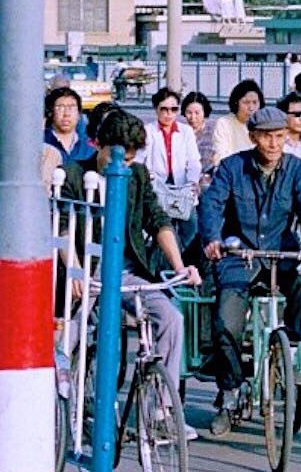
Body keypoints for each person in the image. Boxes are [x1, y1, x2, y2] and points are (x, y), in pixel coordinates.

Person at [62, 111, 202, 437]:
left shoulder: (137, 175)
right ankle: (66, 402)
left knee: (170, 318)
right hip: (87, 273)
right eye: (116, 157)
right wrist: (76, 271)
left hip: (127, 273)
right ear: (98, 145)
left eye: (128, 158)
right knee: (73, 335)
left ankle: (160, 408)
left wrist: (179, 267)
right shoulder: (71, 175)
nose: (121, 166)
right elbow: (63, 227)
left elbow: (157, 220)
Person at [199, 105, 301, 436]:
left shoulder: (296, 169)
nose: (273, 144)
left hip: (282, 254)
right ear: (253, 137)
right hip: (239, 257)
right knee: (226, 322)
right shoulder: (233, 168)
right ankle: (230, 393)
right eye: (266, 137)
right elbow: (212, 205)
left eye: (279, 136)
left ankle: (293, 343)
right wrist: (213, 239)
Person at [143, 88, 204, 251]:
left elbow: (193, 160)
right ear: (156, 109)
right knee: (162, 226)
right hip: (158, 187)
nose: (169, 114)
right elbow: (141, 159)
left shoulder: (186, 131)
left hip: (182, 187)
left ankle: (179, 256)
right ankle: (165, 258)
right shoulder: (148, 131)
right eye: (164, 109)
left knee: (191, 225)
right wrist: (149, 177)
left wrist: (192, 181)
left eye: (174, 109)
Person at [211, 80, 263, 163]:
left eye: (255, 102)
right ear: (236, 103)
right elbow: (220, 156)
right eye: (246, 102)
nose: (251, 108)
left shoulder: (264, 125)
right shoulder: (224, 123)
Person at [43, 86, 94, 165]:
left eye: (71, 107)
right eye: (60, 107)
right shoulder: (41, 143)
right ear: (50, 112)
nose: (66, 114)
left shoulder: (89, 146)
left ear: (79, 114)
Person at [181, 91, 217, 177]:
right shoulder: (180, 132)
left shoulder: (215, 131)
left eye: (197, 113)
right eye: (189, 113)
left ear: (204, 112)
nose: (193, 117)